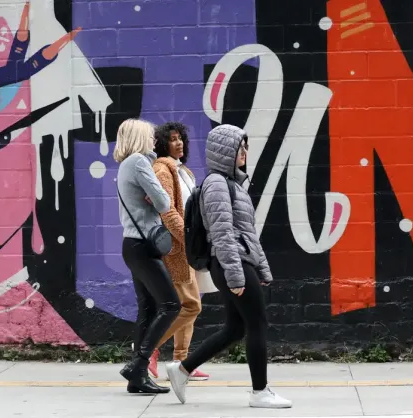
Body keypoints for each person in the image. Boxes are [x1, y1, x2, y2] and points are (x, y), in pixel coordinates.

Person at [165, 124, 292, 408]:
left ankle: (182, 370)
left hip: (236, 262)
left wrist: (262, 269)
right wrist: (236, 276)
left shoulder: (232, 184)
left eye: (245, 146)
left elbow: (248, 234)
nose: (244, 152)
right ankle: (260, 392)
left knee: (236, 328)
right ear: (224, 151)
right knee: (257, 323)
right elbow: (222, 234)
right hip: (230, 263)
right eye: (239, 147)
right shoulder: (217, 184)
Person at [114, 118, 180, 394]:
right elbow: (164, 202)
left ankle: (137, 378)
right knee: (171, 305)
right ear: (139, 137)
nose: (154, 140)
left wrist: (155, 197)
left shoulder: (126, 165)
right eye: (150, 135)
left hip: (133, 245)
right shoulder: (139, 162)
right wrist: (158, 197)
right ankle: (138, 365)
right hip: (143, 246)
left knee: (149, 308)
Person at [148, 122, 210, 381]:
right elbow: (168, 212)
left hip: (189, 248)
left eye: (181, 138)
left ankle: (182, 363)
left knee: (189, 305)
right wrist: (187, 239)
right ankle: (148, 349)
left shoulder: (184, 171)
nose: (179, 143)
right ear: (163, 144)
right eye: (173, 139)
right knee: (191, 305)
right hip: (177, 249)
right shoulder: (162, 170)